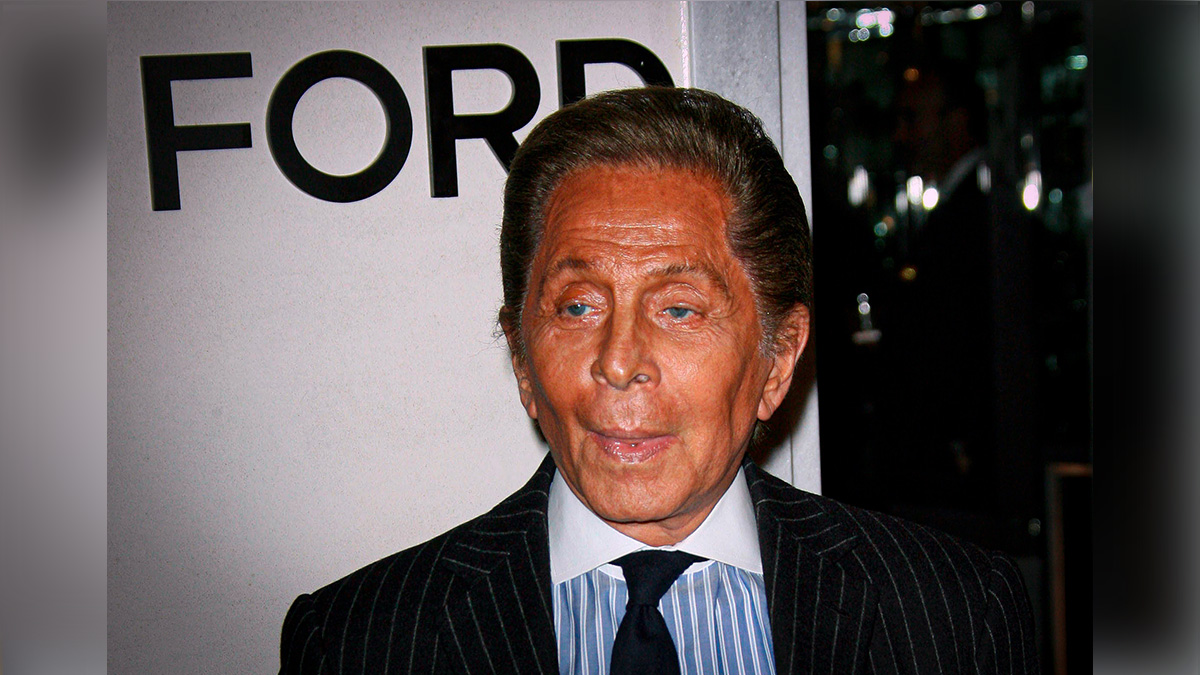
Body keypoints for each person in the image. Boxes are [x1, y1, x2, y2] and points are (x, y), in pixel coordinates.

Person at [279, 87, 1038, 675]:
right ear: (521, 357)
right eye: (578, 306)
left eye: (679, 309)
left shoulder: (953, 616)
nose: (619, 360)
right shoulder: (359, 642)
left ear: (778, 358)